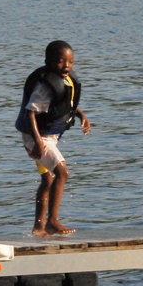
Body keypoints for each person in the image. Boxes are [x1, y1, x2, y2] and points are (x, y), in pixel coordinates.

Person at [15, 40, 91, 236]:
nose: (66, 66)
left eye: (70, 62)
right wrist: (37, 142)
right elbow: (30, 113)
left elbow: (64, 105)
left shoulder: (66, 81)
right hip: (37, 138)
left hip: (48, 137)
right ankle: (52, 221)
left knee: (48, 180)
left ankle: (39, 227)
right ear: (48, 62)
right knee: (62, 173)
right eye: (60, 61)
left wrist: (81, 115)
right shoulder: (44, 86)